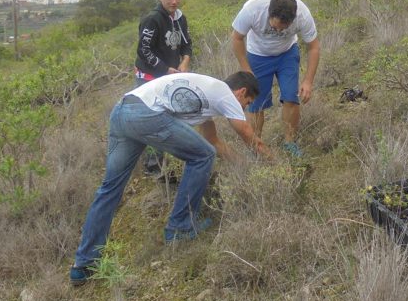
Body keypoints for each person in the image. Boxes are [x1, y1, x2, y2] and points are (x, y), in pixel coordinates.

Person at [70, 71, 272, 286]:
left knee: (110, 189)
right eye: (246, 103)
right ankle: (179, 228)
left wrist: (245, 167)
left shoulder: (207, 96)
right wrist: (275, 165)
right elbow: (248, 135)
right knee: (203, 156)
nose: (243, 109)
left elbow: (213, 142)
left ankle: (83, 265)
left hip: (122, 111)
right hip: (144, 114)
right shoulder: (225, 93)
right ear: (241, 93)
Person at [231, 0, 320, 158]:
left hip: (287, 53)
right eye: (275, 26)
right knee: (257, 103)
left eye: (284, 28)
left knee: (290, 97)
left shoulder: (302, 14)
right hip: (258, 55)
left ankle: (290, 143)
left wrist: (308, 81)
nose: (279, 31)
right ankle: (256, 146)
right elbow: (237, 38)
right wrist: (246, 70)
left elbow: (313, 47)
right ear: (269, 14)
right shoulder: (253, 9)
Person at [134, 0, 193, 176]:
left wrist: (185, 61)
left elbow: (186, 43)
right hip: (149, 78)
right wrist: (163, 69)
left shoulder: (180, 18)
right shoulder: (152, 19)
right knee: (152, 119)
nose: (174, 1)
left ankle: (167, 159)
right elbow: (143, 50)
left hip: (171, 76)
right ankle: (153, 165)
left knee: (169, 116)